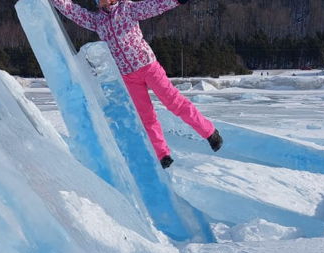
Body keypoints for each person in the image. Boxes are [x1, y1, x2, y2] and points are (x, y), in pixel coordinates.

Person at [49, 0, 222, 169]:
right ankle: (162, 154)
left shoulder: (128, 9)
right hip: (128, 77)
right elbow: (73, 11)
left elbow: (155, 5)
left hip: (148, 67)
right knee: (146, 116)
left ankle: (209, 132)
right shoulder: (97, 21)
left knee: (174, 102)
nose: (101, 2)